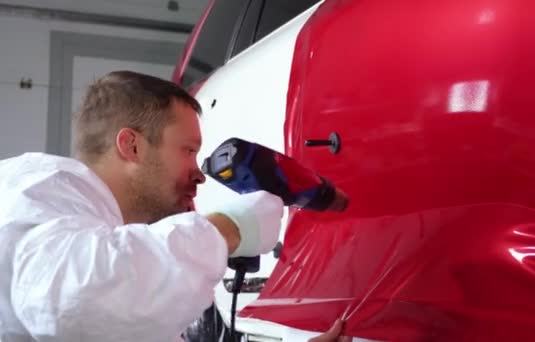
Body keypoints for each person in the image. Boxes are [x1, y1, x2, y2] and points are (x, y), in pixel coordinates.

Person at [0, 71, 349, 341]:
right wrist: (227, 228)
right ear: (132, 147)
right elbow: (72, 304)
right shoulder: (38, 188)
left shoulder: (91, 226)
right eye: (188, 151)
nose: (200, 175)